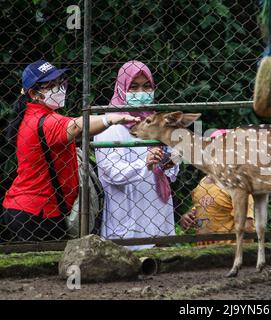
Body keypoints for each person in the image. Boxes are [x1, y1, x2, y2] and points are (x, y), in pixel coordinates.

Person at [1, 60, 139, 241]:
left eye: (61, 83)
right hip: (38, 213)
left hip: (23, 208)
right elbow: (76, 126)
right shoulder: (45, 121)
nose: (59, 89)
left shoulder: (29, 115)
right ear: (34, 94)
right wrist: (111, 119)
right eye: (51, 86)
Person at [94, 61, 179, 250]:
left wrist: (171, 161)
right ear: (121, 89)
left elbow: (172, 166)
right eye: (134, 87)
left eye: (146, 86)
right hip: (128, 215)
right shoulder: (110, 126)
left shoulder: (158, 122)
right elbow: (111, 172)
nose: (141, 92)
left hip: (157, 210)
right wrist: (145, 163)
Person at [179, 130, 255, 246]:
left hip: (225, 254)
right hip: (200, 254)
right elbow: (207, 205)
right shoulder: (203, 183)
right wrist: (188, 215)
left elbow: (247, 228)